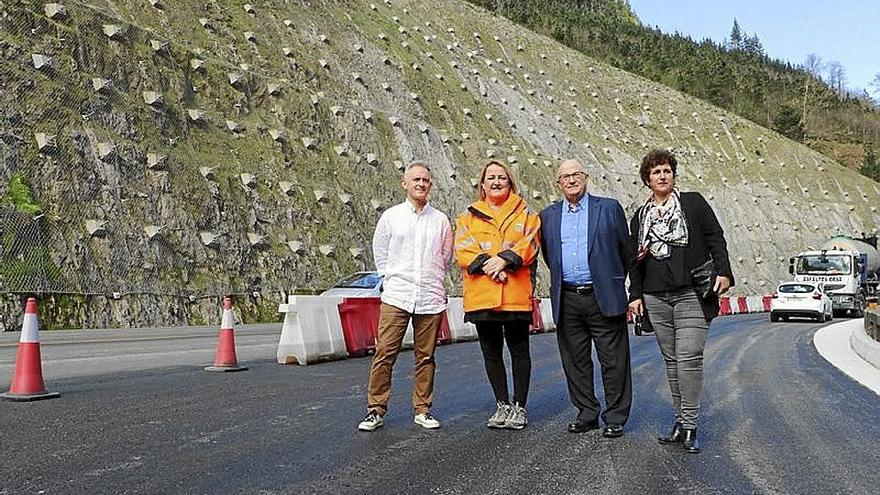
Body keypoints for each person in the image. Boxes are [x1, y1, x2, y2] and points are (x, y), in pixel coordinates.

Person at [628, 149, 734, 454]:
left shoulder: (693, 203)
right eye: (655, 172)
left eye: (666, 171)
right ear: (647, 179)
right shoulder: (640, 215)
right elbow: (634, 261)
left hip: (691, 292)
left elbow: (715, 237)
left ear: (674, 175)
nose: (662, 176)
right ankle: (680, 421)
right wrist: (635, 295)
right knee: (672, 362)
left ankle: (690, 426)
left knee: (689, 358)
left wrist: (724, 272)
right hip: (655, 296)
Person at [539, 159, 633, 438]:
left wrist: (610, 279)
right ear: (558, 183)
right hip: (567, 297)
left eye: (576, 174)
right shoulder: (548, 216)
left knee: (613, 360)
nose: (571, 180)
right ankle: (587, 412)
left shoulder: (609, 208)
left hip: (601, 294)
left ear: (586, 177)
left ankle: (615, 416)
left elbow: (624, 251)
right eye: (565, 176)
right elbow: (549, 255)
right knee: (575, 361)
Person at [358, 161, 453, 432]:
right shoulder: (391, 217)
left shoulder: (440, 220)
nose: (421, 184)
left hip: (430, 296)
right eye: (416, 180)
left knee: (426, 357)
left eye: (425, 180)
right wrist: (391, 277)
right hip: (397, 296)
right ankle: (375, 410)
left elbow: (445, 258)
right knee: (385, 353)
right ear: (405, 184)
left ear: (430, 185)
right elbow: (381, 252)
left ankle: (423, 409)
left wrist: (432, 278)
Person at [454, 160, 541, 429]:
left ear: (510, 182)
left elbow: (531, 242)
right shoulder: (467, 217)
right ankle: (502, 404)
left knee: (519, 351)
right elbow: (463, 248)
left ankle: (520, 406)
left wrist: (503, 260)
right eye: (490, 177)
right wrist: (491, 266)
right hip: (482, 297)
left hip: (515, 295)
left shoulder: (526, 213)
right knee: (491, 353)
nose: (496, 182)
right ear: (482, 184)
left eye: (501, 177)